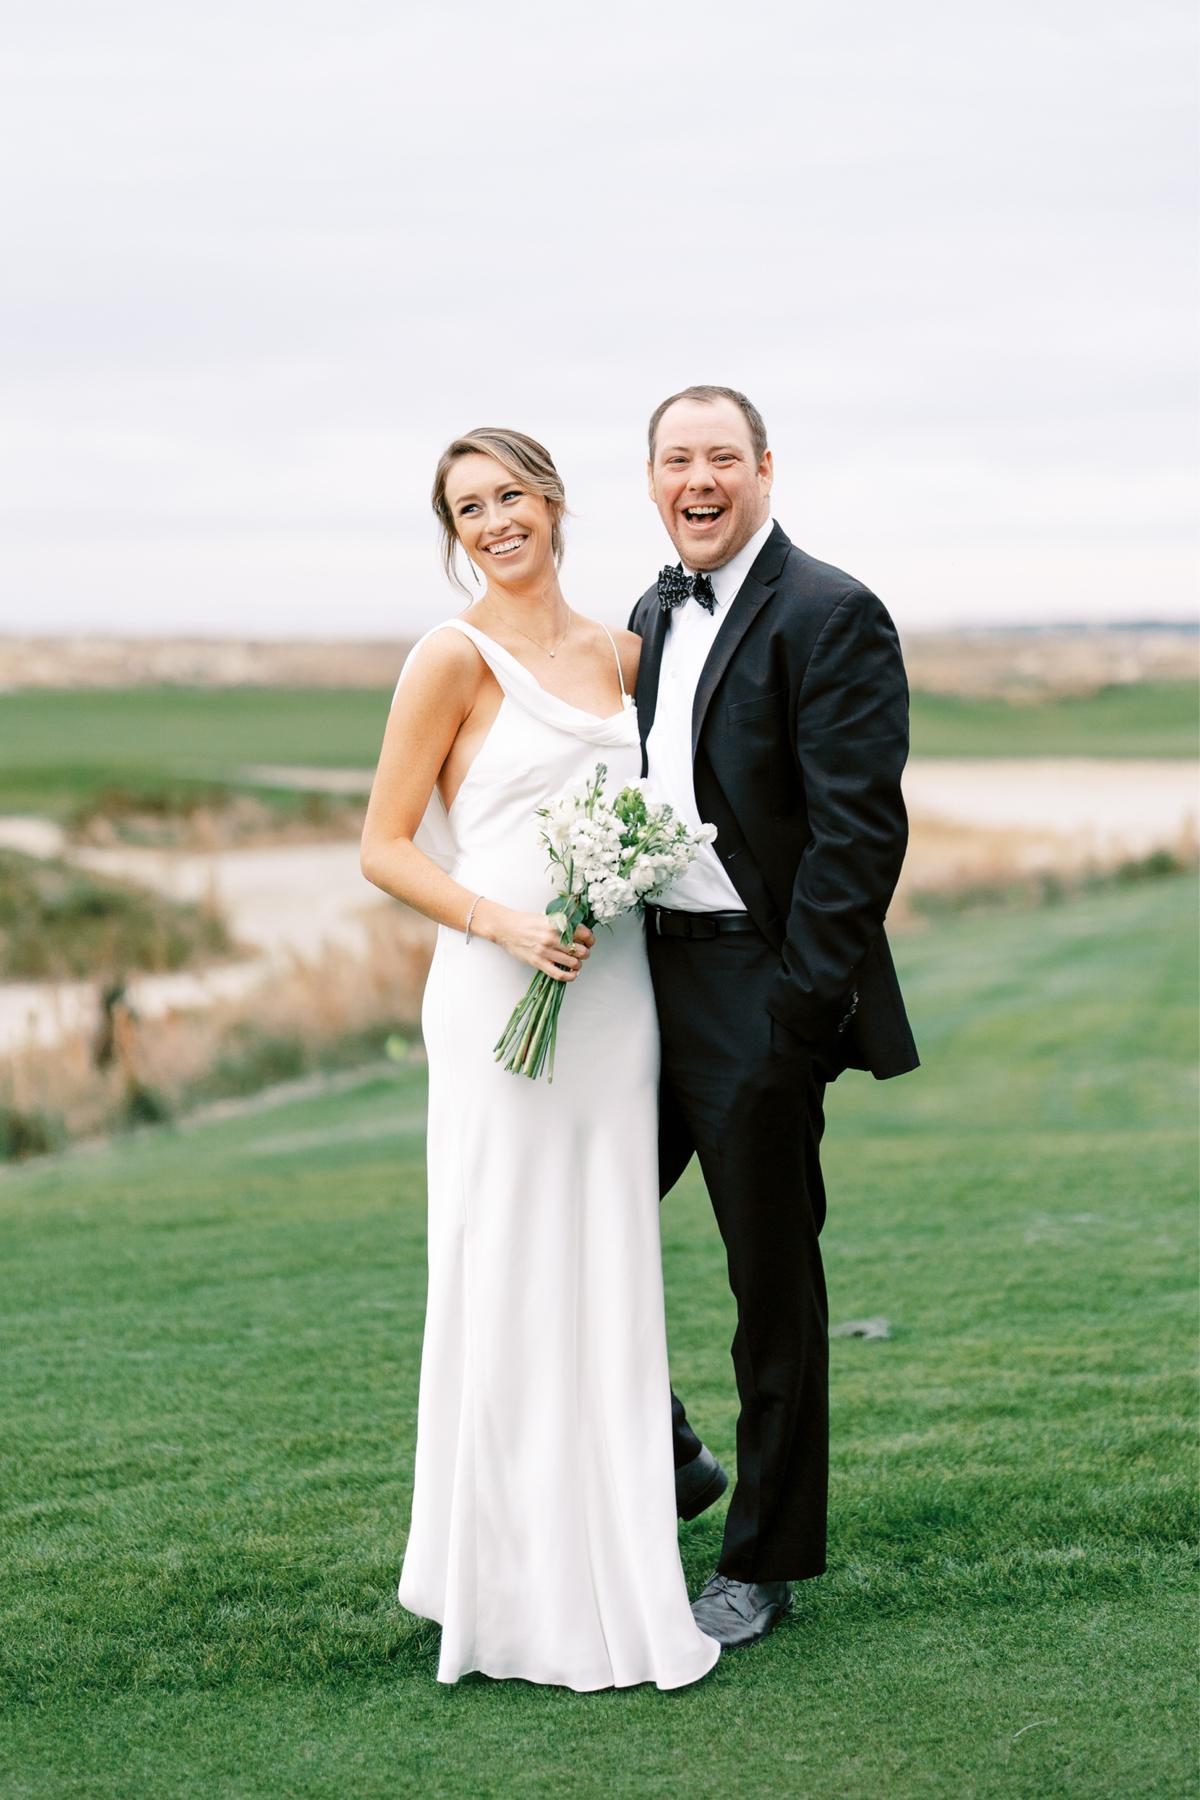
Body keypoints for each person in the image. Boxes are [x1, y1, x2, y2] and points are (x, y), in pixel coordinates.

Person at [360, 427, 719, 1691]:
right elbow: (384, 846)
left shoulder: (629, 657)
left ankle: (620, 1558)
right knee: (507, 1264)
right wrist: (502, 923)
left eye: (510, 494)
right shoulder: (449, 657)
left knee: (607, 1264)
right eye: (468, 508)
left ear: (555, 501)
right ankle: (505, 1589)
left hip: (615, 1002)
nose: (495, 521)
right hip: (496, 994)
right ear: (455, 534)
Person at [628, 385, 919, 1649]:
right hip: (641, 987)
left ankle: (762, 1561)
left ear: (762, 469)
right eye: (675, 459)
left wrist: (800, 1008)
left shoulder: (831, 611)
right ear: (651, 479)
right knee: (568, 1225)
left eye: (720, 458)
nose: (698, 479)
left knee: (771, 1288)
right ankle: (672, 1455)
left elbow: (862, 833)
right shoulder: (651, 610)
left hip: (761, 990)